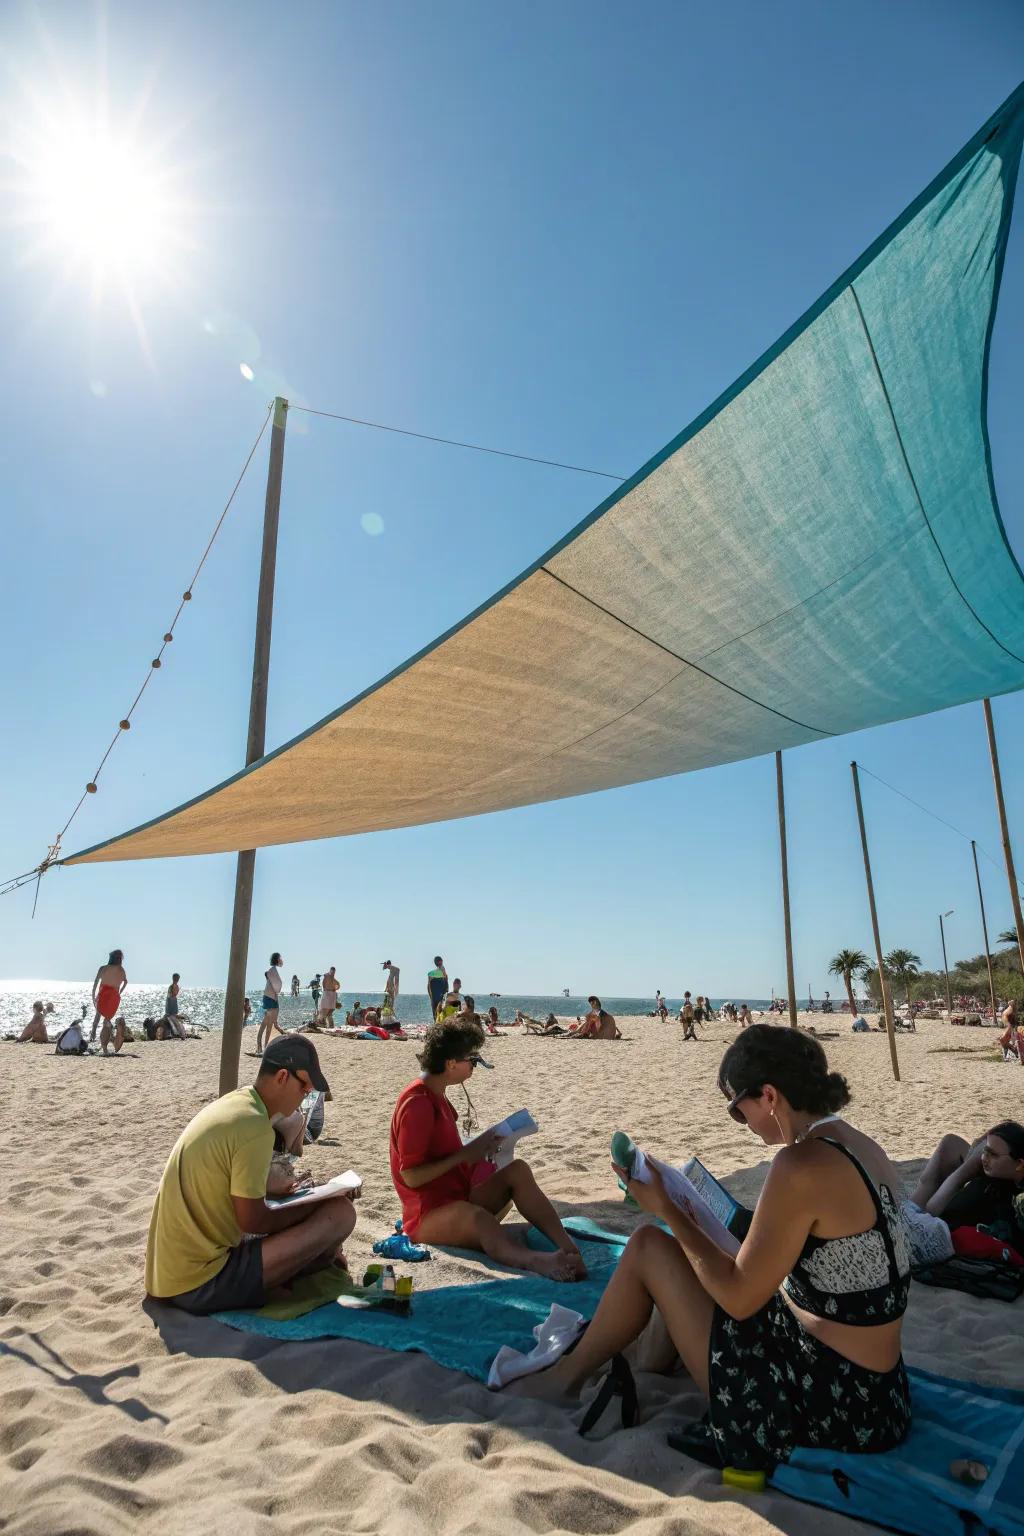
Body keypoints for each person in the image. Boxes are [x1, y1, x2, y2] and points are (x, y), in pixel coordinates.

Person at [510, 1025, 912, 1470]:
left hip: (829, 1406)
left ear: (770, 1096)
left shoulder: (799, 1165)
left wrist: (667, 1207)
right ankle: (638, 1360)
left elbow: (739, 1300)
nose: (743, 1125)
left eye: (739, 1112)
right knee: (690, 1256)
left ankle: (564, 1381)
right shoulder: (859, 1146)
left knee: (648, 1244)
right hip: (882, 1395)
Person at [145, 1035, 355, 1314]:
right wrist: (313, 1206)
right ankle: (311, 1263)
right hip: (199, 1284)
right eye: (304, 1086)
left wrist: (284, 1194)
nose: (306, 1094)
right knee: (340, 1213)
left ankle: (313, 1260)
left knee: (319, 1213)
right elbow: (254, 1220)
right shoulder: (256, 1127)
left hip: (167, 1276)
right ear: (282, 1076)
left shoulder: (238, 1105)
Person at [389, 1016, 585, 1281]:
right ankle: (537, 1261)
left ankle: (569, 1250)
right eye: (473, 1061)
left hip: (455, 1197)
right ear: (451, 1063)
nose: (474, 1068)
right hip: (426, 1217)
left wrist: (482, 1150)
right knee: (480, 1219)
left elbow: (445, 1156)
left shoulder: (438, 1096)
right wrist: (465, 1155)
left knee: (518, 1171)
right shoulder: (418, 1104)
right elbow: (411, 1176)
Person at [909, 1122, 1024, 1243]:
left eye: (993, 1154)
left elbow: (932, 1213)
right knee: (950, 1143)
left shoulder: (985, 1190)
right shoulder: (1002, 1176)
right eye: (985, 1151)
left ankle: (913, 1205)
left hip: (929, 1231)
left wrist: (965, 1170)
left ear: (1019, 1164)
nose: (984, 1158)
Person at [90, 950, 127, 1042]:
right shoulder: (121, 970)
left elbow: (95, 983)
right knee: (107, 1019)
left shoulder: (103, 968)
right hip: (114, 997)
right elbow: (125, 982)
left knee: (97, 1016)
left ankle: (93, 1036)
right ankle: (107, 1039)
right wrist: (120, 992)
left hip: (103, 994)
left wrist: (93, 995)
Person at [256, 953, 284, 1053]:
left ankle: (265, 1047)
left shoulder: (274, 970)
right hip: (269, 997)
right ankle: (259, 1046)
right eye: (280, 958)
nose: (282, 960)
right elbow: (276, 986)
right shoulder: (272, 970)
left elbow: (276, 987)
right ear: (277, 959)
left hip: (273, 997)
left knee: (270, 1024)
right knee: (266, 1022)